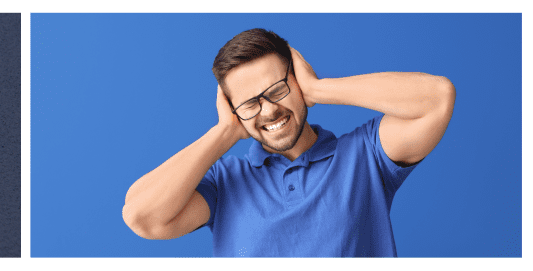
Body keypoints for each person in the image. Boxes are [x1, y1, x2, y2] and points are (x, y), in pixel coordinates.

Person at [121, 28, 455, 257]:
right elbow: (142, 216)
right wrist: (224, 132)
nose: (268, 110)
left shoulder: (364, 155)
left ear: (297, 81)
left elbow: (437, 99)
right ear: (233, 109)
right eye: (250, 103)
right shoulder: (224, 183)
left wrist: (320, 90)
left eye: (277, 89)